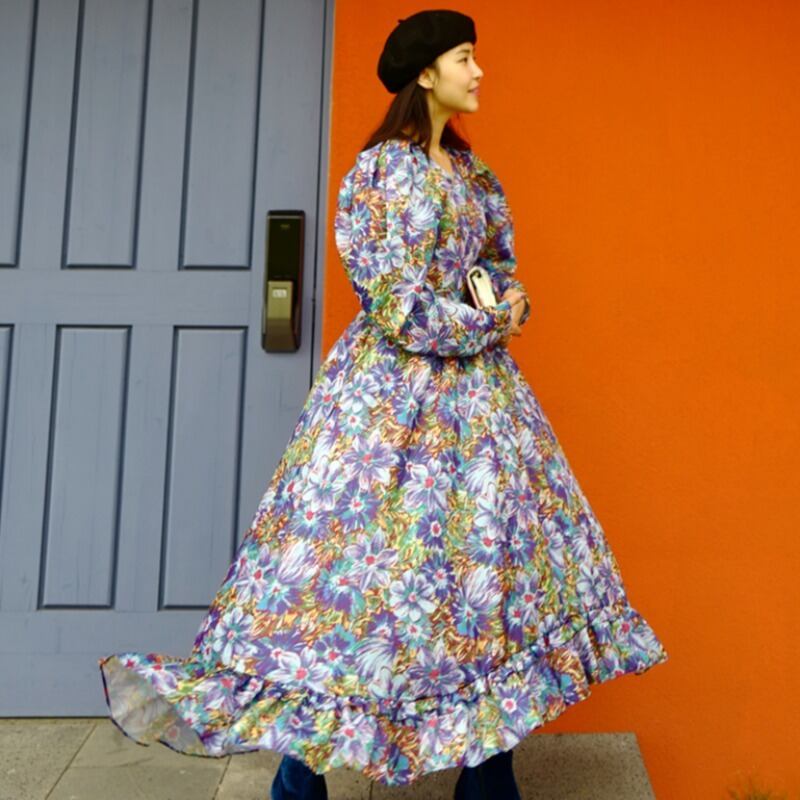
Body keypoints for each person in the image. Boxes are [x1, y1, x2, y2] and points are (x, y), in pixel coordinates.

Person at [97, 9, 668, 799]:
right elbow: (396, 305)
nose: (478, 71)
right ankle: (298, 784)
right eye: (465, 58)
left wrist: (509, 300)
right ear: (425, 74)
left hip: (481, 409)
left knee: (486, 583)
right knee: (350, 587)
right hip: (387, 408)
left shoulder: (470, 173)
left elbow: (497, 260)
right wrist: (489, 325)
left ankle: (487, 782)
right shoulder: (381, 172)